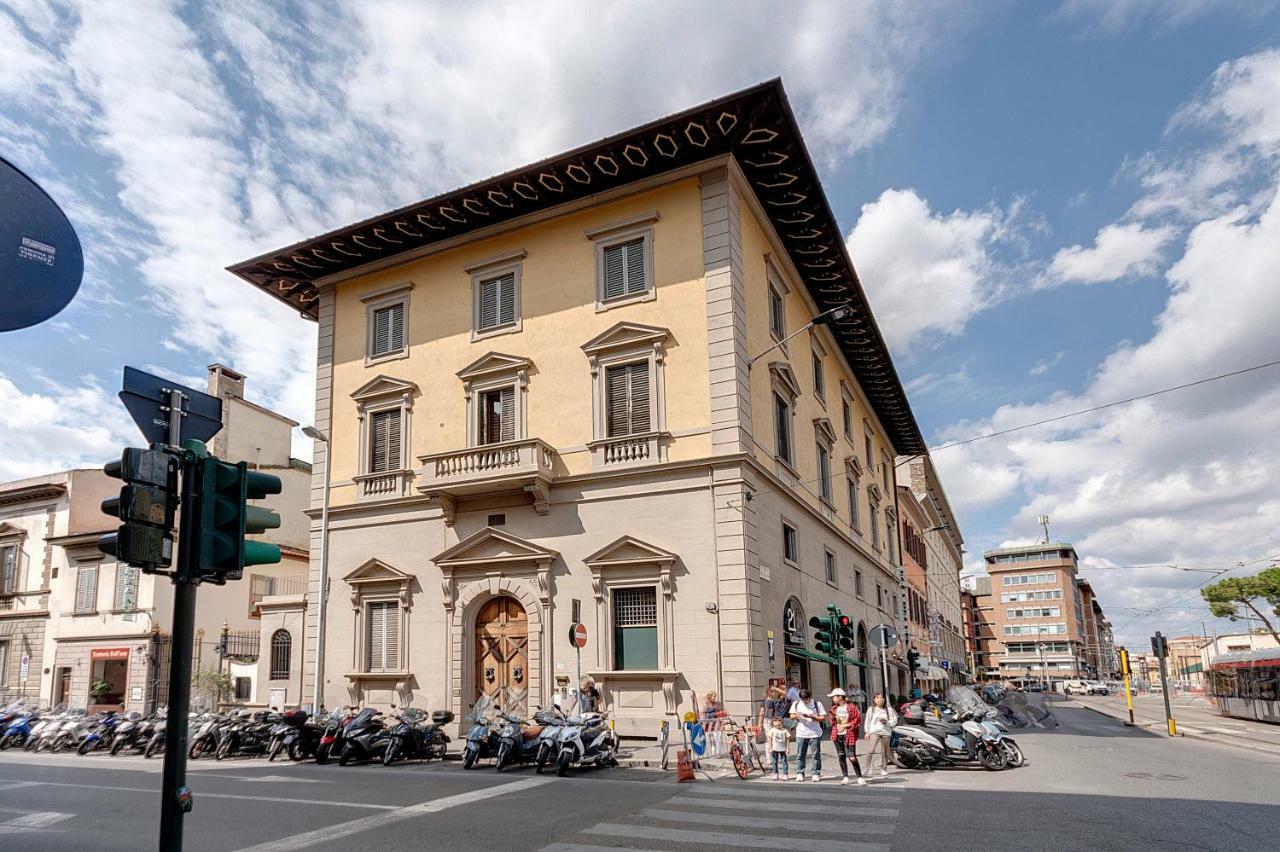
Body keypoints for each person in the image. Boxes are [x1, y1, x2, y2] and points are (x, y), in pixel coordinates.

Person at [827, 688, 865, 786]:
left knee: (852, 756)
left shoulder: (851, 707)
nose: (832, 699)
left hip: (849, 733)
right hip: (837, 734)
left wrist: (845, 726)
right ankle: (845, 776)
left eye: (834, 697)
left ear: (840, 697)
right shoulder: (834, 708)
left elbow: (857, 720)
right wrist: (835, 723)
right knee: (841, 755)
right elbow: (832, 721)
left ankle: (859, 777)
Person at [789, 688, 826, 782]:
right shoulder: (796, 704)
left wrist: (813, 717)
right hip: (801, 733)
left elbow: (823, 718)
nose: (806, 701)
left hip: (815, 733)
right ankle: (800, 772)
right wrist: (797, 715)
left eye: (807, 699)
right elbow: (791, 716)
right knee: (800, 754)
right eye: (804, 699)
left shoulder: (817, 703)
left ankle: (816, 773)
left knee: (816, 754)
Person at [864, 692, 897, 778]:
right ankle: (867, 767)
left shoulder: (888, 710)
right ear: (874, 700)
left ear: (884, 700)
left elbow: (894, 721)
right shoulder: (871, 709)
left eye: (881, 698)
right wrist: (867, 732)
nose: (879, 699)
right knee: (870, 750)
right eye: (877, 698)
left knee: (885, 751)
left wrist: (887, 722)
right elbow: (867, 721)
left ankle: (884, 768)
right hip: (874, 731)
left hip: (886, 732)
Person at [766, 716, 790, 781]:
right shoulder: (772, 730)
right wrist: (770, 748)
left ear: (781, 723)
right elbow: (769, 739)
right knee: (774, 762)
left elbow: (788, 739)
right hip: (774, 749)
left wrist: (787, 748)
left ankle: (785, 774)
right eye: (775, 725)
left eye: (779, 725)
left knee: (784, 762)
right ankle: (775, 773)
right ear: (773, 724)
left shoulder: (785, 731)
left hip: (783, 749)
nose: (777, 726)